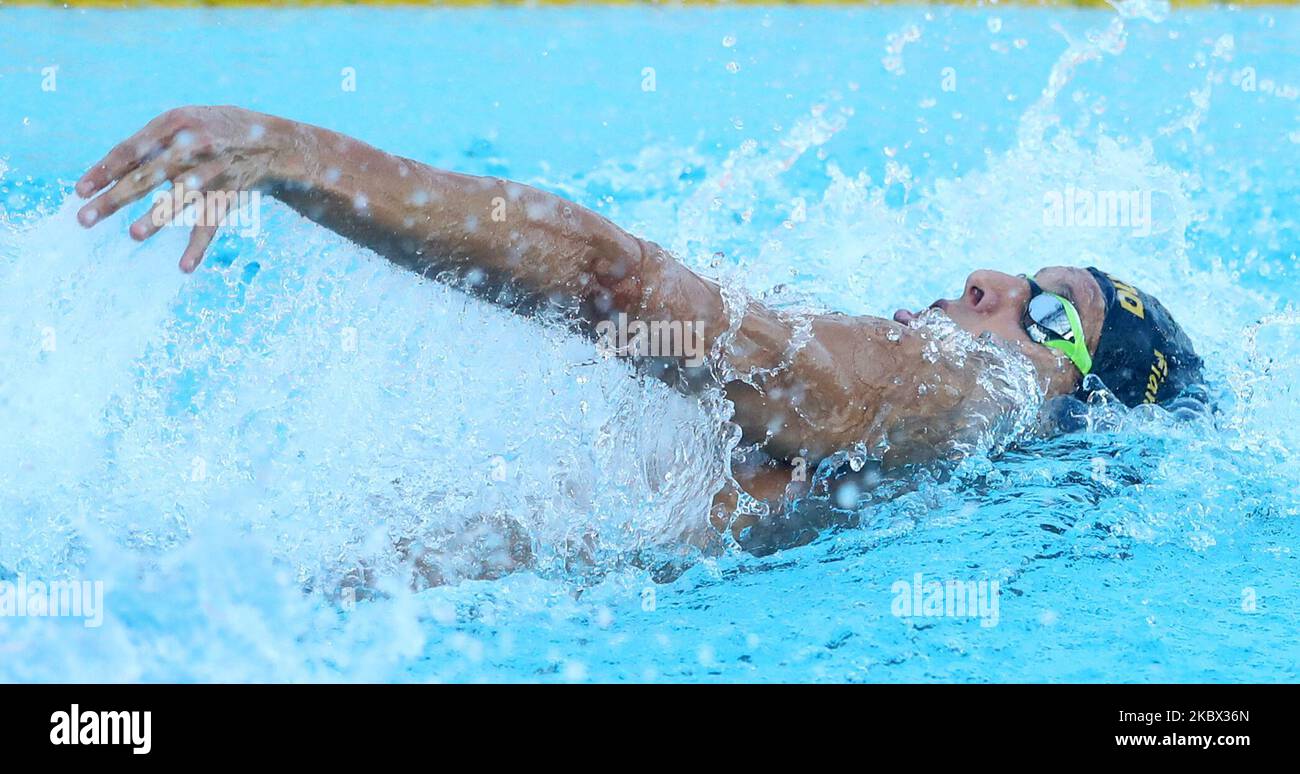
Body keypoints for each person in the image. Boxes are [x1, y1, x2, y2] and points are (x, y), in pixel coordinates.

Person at [74, 106, 1204, 551]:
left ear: (1073, 394)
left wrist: (300, 162)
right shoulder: (943, 455)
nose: (988, 282)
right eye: (1019, 270)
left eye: (1049, 312)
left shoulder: (957, 396)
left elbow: (613, 282)